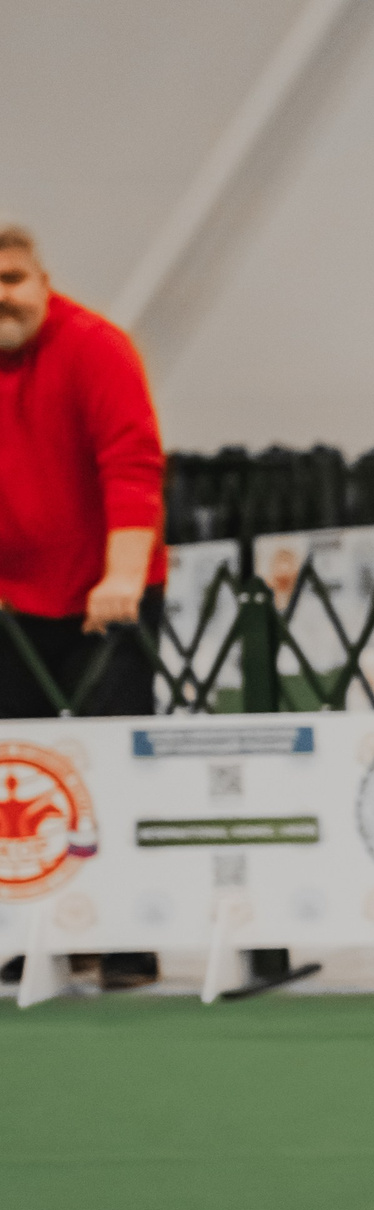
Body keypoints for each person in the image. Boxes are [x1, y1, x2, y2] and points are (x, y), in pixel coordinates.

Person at [0, 220, 165, 992]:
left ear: (43, 281)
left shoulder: (97, 347)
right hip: (13, 603)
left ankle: (127, 940)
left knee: (114, 763)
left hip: (107, 597)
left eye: (11, 280)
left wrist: (121, 576)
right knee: (17, 770)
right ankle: (29, 932)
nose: (1, 297)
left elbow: (132, 465)